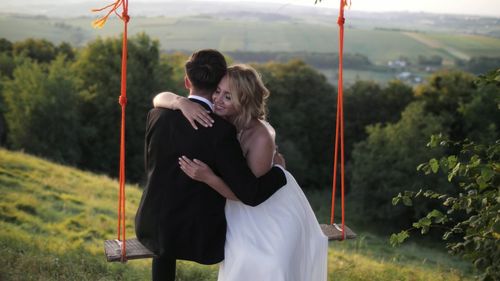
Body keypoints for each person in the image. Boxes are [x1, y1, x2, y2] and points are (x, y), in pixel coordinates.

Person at [153, 64, 328, 281]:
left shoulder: (260, 136)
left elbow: (249, 196)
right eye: (217, 91)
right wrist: (181, 102)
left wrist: (208, 177)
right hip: (237, 206)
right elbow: (160, 98)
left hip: (268, 210)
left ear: (244, 101)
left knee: (266, 264)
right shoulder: (216, 118)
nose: (217, 99)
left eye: (228, 96)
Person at [135, 50, 288, 281]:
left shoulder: (157, 114)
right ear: (219, 82)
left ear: (187, 81)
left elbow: (159, 100)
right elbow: (248, 193)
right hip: (198, 235)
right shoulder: (221, 131)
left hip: (150, 224)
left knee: (167, 229)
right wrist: (280, 170)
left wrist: (177, 101)